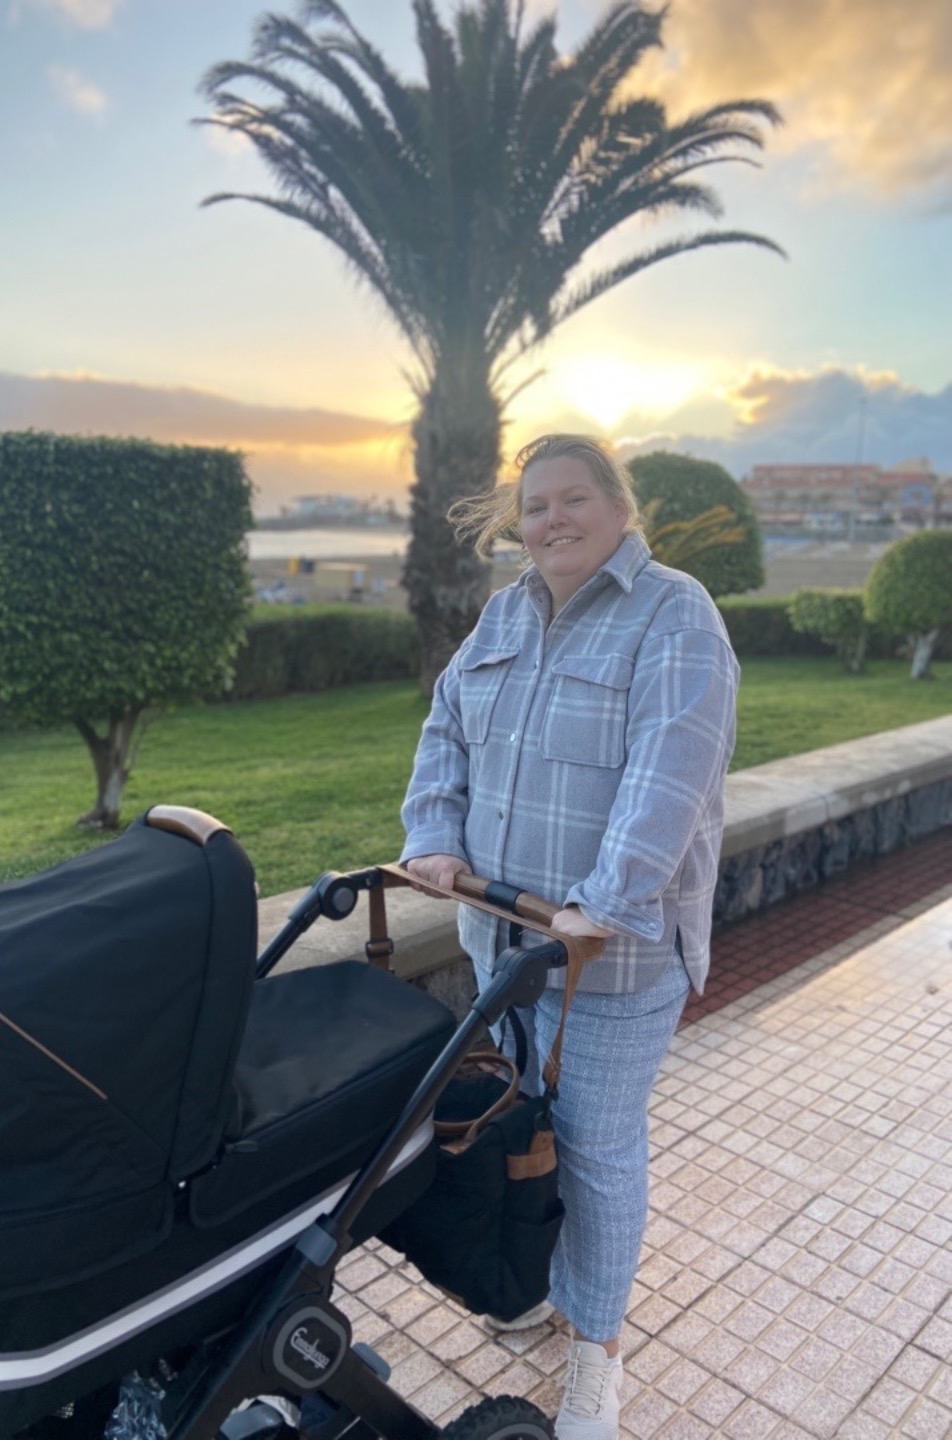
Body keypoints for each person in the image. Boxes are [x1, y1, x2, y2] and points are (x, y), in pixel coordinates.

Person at [400, 435, 739, 1440]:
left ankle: (598, 1351)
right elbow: (445, 728)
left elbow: (673, 768)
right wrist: (434, 835)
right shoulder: (503, 613)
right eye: (536, 505)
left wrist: (606, 899)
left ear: (619, 506)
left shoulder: (673, 612)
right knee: (521, 1122)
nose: (553, 519)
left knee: (595, 1149)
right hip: (502, 941)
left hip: (609, 959)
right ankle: (535, 1284)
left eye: (574, 498)